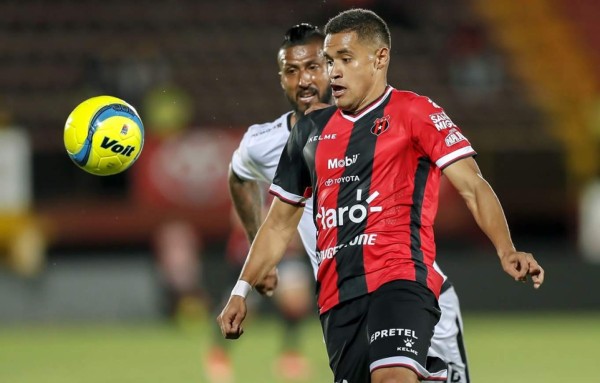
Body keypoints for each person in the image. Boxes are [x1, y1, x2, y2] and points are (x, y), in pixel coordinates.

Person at [219, 9, 544, 383]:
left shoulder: (415, 112)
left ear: (380, 58)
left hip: (401, 280)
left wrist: (506, 249)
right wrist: (241, 290)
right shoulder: (307, 133)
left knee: (392, 376)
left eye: (344, 59)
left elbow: (472, 185)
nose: (333, 72)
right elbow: (277, 224)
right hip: (338, 298)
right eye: (330, 61)